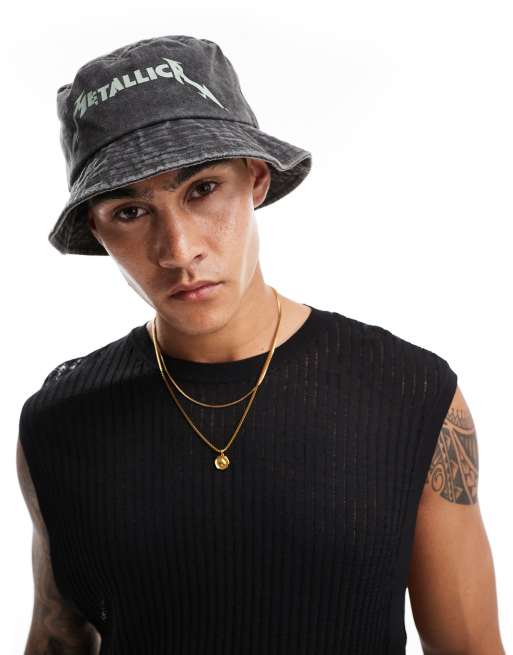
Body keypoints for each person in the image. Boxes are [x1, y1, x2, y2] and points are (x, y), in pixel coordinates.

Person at [16, 35, 505, 655]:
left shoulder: (411, 394)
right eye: (131, 212)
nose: (178, 250)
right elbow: (58, 636)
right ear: (97, 227)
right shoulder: (61, 420)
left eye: (201, 189)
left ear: (255, 179)